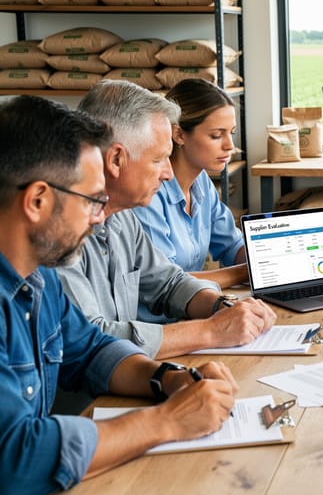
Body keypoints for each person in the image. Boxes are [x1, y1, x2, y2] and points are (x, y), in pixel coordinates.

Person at [0, 95, 238, 495]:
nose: (99, 216)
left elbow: (89, 348)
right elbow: (16, 458)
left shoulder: (41, 279)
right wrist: (167, 421)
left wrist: (169, 379)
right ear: (38, 200)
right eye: (92, 200)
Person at [57, 80, 275, 361]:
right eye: (159, 159)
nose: (168, 173)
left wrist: (221, 307)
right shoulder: (59, 234)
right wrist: (211, 331)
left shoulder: (122, 219)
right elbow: (92, 338)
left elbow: (168, 283)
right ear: (116, 160)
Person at [133, 79, 248, 322]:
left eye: (231, 133)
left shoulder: (202, 183)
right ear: (178, 134)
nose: (230, 146)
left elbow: (231, 245)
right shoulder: (149, 195)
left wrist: (272, 260)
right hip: (160, 328)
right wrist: (247, 271)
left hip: (193, 317)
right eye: (216, 135)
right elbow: (170, 283)